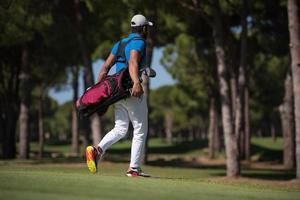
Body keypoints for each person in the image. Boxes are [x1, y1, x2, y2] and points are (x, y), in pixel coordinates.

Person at [85, 14, 153, 177]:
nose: (148, 30)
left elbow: (105, 67)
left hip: (117, 93)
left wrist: (97, 91)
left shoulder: (120, 43)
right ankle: (134, 168)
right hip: (131, 91)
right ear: (143, 29)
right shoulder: (140, 42)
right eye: (147, 28)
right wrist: (137, 82)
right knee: (140, 129)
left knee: (120, 128)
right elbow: (133, 62)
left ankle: (97, 150)